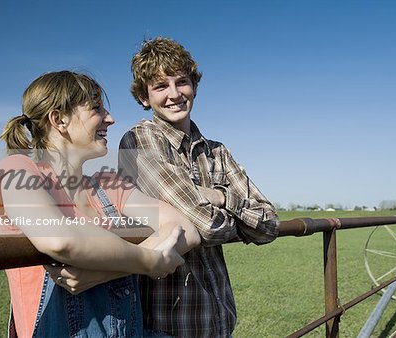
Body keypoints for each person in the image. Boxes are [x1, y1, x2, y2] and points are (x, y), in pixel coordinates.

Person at [0, 70, 201, 338]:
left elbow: (186, 229)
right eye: (96, 108)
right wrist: (149, 260)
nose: (110, 119)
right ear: (59, 119)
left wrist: (99, 273)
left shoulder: (109, 185)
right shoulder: (17, 171)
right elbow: (59, 239)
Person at [116, 37, 281, 337]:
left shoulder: (217, 151)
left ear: (194, 85)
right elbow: (205, 225)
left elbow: (270, 225)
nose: (175, 94)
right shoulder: (139, 140)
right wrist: (240, 221)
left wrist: (220, 196)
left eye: (182, 82)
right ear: (144, 97)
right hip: (168, 325)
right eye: (160, 86)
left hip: (219, 320)